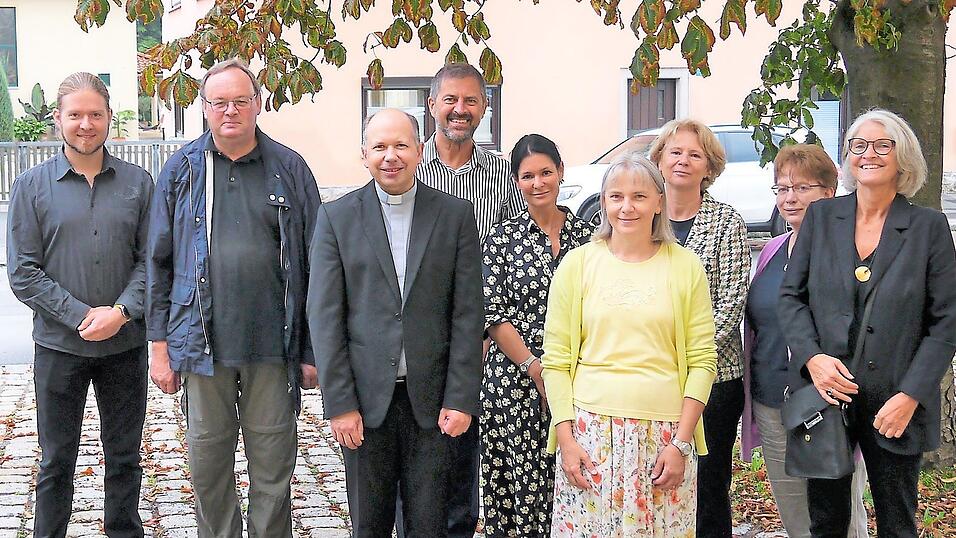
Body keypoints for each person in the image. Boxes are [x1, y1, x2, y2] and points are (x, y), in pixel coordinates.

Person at [146, 58, 321, 537]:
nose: (230, 111)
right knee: (208, 470)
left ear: (257, 104)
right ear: (204, 107)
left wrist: (311, 350)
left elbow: (317, 265)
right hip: (202, 348)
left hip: (274, 348)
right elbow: (158, 262)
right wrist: (160, 347)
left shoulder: (289, 168)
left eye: (240, 101)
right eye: (219, 102)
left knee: (274, 473)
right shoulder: (182, 170)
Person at [779, 109, 956, 538]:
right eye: (858, 145)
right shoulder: (822, 218)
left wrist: (911, 395)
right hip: (826, 396)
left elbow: (946, 322)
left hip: (895, 401)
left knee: (897, 525)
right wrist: (813, 359)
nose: (868, 154)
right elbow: (791, 298)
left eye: (882, 145)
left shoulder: (928, 227)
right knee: (826, 523)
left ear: (903, 157)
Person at [309, 108, 483, 536]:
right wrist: (340, 404)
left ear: (420, 150)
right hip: (365, 406)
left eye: (401, 145)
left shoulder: (454, 215)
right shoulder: (337, 218)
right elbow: (325, 317)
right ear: (364, 154)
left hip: (434, 404)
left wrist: (460, 398)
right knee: (369, 525)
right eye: (380, 147)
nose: (391, 156)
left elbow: (467, 314)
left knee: (429, 525)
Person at [6, 72, 152, 538]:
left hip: (125, 346)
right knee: (55, 461)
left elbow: (153, 262)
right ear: (58, 119)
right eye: (75, 115)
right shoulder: (31, 186)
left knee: (125, 457)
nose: (85, 124)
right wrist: (81, 316)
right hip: (58, 347)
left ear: (109, 118)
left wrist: (121, 312)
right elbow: (23, 271)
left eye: (95, 114)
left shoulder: (138, 184)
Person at [542, 153, 717, 536]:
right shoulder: (577, 264)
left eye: (639, 196)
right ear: (603, 202)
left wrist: (681, 444)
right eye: (616, 196)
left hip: (664, 440)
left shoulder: (685, 266)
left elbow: (703, 362)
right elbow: (555, 362)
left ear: (659, 202)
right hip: (590, 437)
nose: (627, 207)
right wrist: (566, 440)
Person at [407, 62, 525, 538]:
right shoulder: (409, 166)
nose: (460, 109)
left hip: (479, 340)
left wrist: (488, 331)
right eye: (450, 100)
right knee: (414, 463)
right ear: (431, 105)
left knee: (461, 465)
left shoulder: (501, 174)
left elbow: (512, 252)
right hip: (416, 337)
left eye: (470, 101)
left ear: (484, 107)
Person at [741, 144, 869, 538]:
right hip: (773, 402)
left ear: (830, 192)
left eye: (802, 188)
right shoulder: (772, 250)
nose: (790, 198)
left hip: (828, 405)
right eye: (782, 189)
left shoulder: (852, 251)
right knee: (795, 514)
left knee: (841, 518)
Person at [480, 134, 593, 537]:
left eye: (546, 172)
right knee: (520, 489)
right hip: (514, 380)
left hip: (579, 376)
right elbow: (493, 312)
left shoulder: (590, 237)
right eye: (528, 176)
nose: (538, 183)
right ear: (516, 181)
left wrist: (562, 372)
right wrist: (534, 367)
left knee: (577, 480)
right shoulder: (501, 238)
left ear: (561, 172)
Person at [648, 119, 750, 537]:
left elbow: (730, 303)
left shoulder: (726, 222)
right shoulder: (643, 217)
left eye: (695, 154)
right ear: (659, 159)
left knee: (708, 485)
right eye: (675, 152)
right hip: (651, 376)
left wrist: (685, 358)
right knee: (654, 480)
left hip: (714, 380)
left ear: (709, 167)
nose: (683, 161)